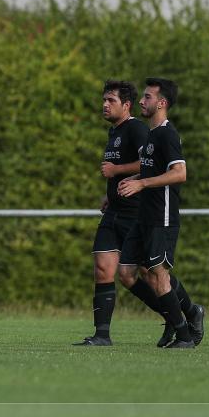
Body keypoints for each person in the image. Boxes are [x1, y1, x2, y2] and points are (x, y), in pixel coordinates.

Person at [118, 78, 205, 349]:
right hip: (143, 216)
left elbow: (180, 173)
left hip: (161, 217)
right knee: (127, 273)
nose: (142, 102)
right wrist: (128, 183)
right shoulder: (151, 134)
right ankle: (187, 313)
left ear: (162, 103)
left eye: (147, 97)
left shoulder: (167, 134)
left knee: (159, 275)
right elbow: (149, 170)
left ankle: (184, 334)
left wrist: (142, 183)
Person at [74, 80, 147, 346]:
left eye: (111, 100)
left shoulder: (137, 129)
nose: (105, 105)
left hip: (135, 213)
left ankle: (182, 315)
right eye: (104, 100)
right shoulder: (114, 132)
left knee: (146, 274)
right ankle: (102, 335)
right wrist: (111, 193)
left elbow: (150, 164)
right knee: (103, 268)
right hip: (114, 211)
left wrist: (116, 172)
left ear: (126, 105)